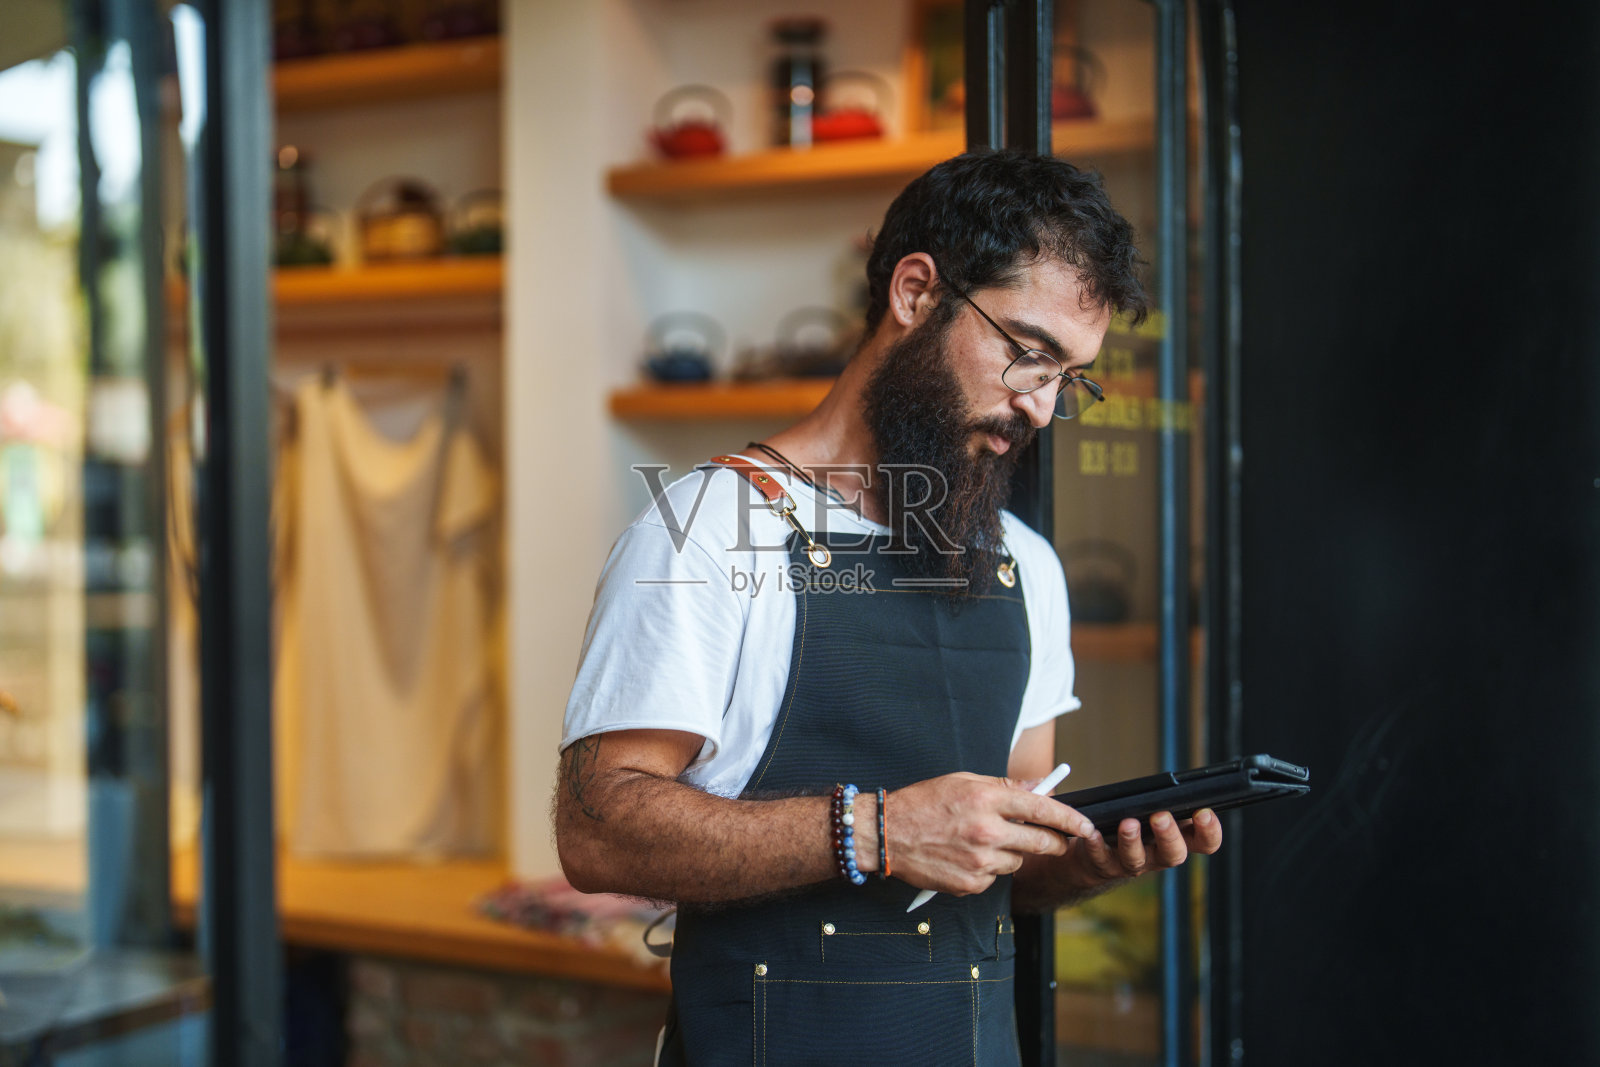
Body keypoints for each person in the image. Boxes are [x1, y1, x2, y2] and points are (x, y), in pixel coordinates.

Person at [554, 150, 1222, 1066]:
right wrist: (875, 830)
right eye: (1029, 353)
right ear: (915, 292)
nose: (1041, 407)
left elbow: (1002, 853)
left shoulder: (1025, 565)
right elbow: (596, 830)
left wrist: (1078, 864)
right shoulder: (705, 531)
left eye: (1070, 378)